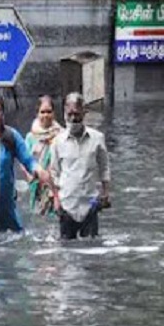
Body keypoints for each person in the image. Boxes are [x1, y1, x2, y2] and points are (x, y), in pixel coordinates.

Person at [0, 92, 50, 232]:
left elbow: (28, 161)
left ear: (3, 113)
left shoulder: (12, 136)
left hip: (6, 210)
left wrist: (40, 172)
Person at [50, 93, 110, 240]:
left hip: (90, 202)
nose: (72, 119)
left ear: (84, 112)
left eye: (76, 114)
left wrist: (106, 192)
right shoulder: (58, 142)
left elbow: (104, 167)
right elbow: (54, 172)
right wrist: (56, 199)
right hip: (67, 203)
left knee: (90, 250)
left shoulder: (97, 139)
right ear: (64, 114)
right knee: (66, 249)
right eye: (69, 114)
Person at [24, 95, 63, 216]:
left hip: (56, 186)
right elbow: (24, 160)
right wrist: (29, 176)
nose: (46, 115)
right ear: (37, 114)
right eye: (42, 112)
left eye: (49, 112)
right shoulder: (30, 137)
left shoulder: (62, 136)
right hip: (36, 185)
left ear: (54, 113)